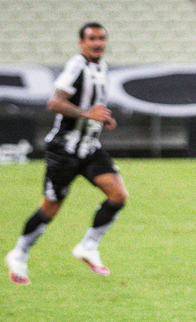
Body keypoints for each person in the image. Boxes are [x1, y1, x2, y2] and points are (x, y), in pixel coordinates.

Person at [5, 22, 128, 285]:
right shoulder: (76, 65)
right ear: (81, 42)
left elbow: (90, 105)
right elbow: (54, 102)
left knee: (118, 194)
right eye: (92, 38)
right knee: (50, 208)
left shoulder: (101, 67)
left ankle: (88, 246)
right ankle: (19, 253)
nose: (97, 43)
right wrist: (86, 114)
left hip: (89, 148)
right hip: (64, 151)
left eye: (102, 38)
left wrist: (100, 119)